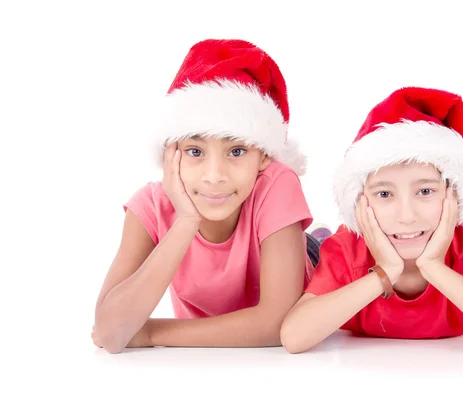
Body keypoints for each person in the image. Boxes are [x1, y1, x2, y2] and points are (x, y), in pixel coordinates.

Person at [92, 39, 321, 354]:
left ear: (266, 155)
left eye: (236, 150)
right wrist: (186, 221)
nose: (215, 176)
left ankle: (320, 240)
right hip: (221, 330)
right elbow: (108, 333)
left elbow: (276, 323)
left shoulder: (278, 184)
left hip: (301, 254)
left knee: (331, 254)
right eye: (195, 151)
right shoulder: (150, 205)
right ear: (170, 152)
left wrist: (150, 332)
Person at [280, 87, 463, 357]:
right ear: (360, 202)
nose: (406, 216)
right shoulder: (348, 245)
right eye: (384, 194)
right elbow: (294, 337)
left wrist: (432, 266)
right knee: (313, 254)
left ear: (453, 195)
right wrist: (386, 271)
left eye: (425, 192)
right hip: (318, 250)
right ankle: (319, 237)